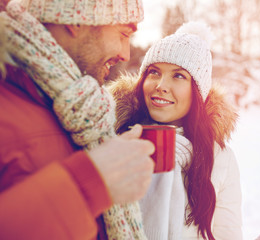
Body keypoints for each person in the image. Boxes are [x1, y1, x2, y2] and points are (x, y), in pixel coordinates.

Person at [0, 0, 155, 239]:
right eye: (123, 34)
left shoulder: (82, 110)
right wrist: (89, 184)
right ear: (76, 20)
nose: (125, 54)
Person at [109, 22, 243, 239]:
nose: (160, 85)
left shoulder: (220, 159)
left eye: (178, 75)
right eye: (153, 72)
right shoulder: (115, 140)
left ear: (198, 91)